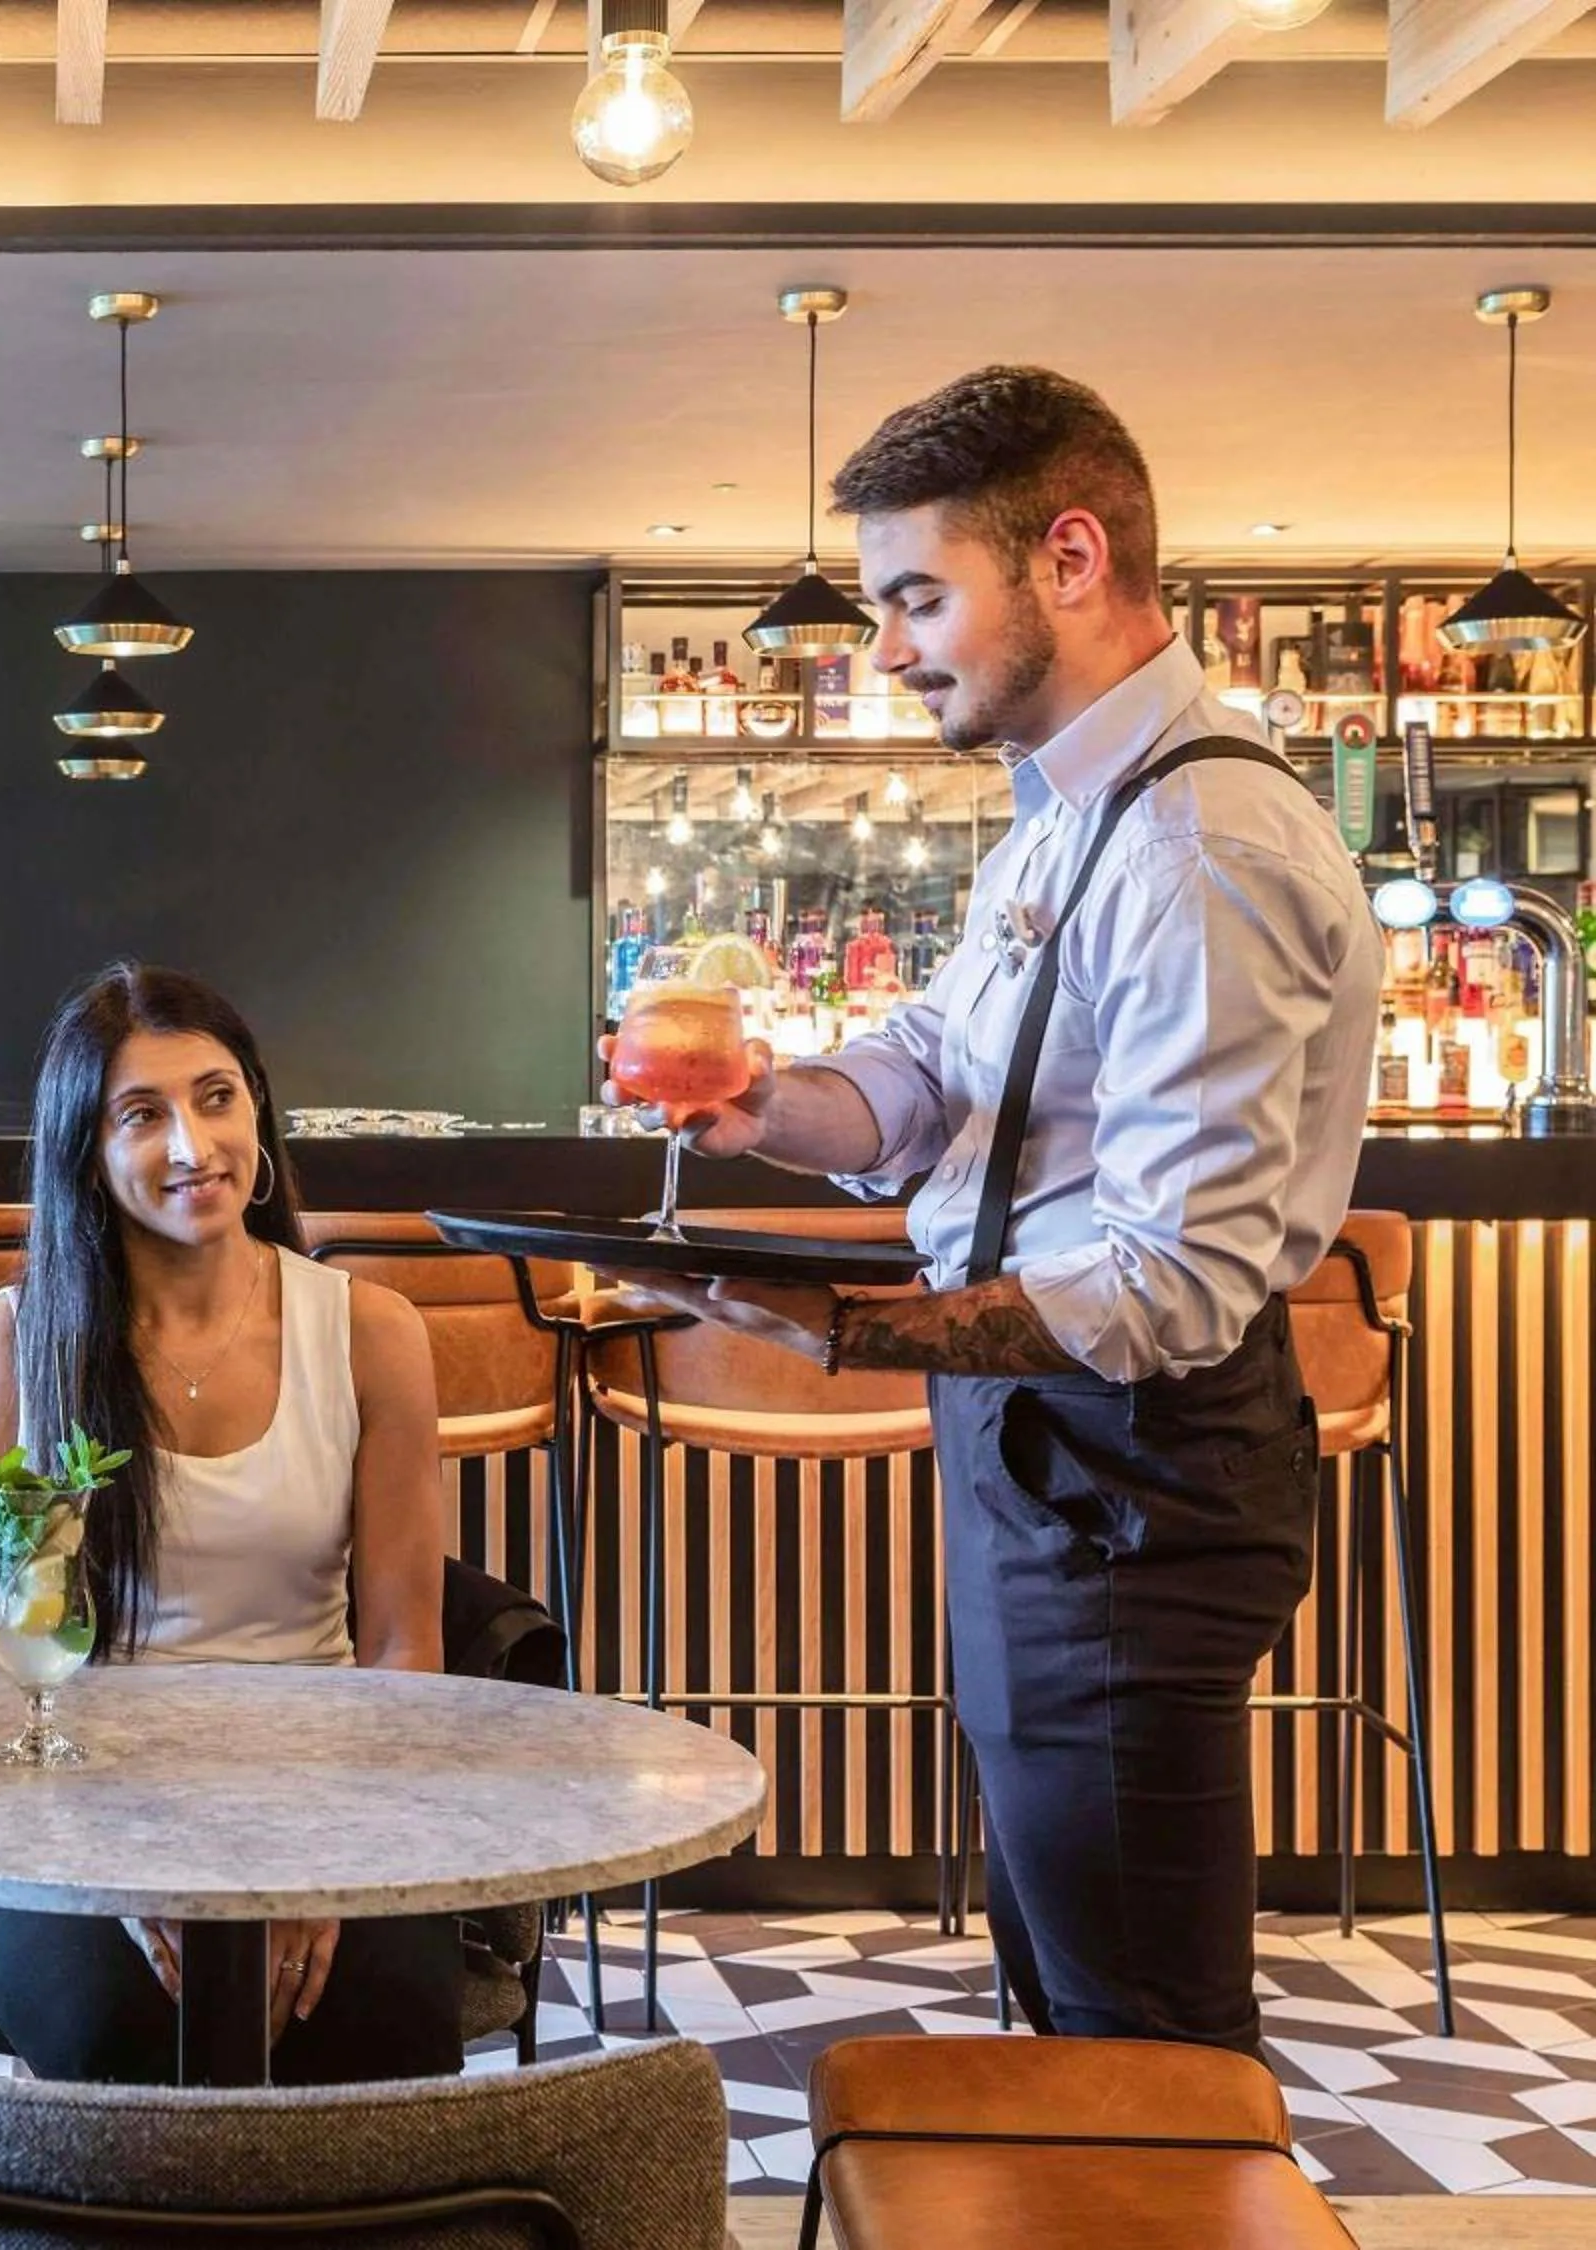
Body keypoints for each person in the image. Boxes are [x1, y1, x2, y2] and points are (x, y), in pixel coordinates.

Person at [605, 367, 1383, 2059]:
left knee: (1143, 2032)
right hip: (1041, 1441)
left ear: (1073, 559)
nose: (887, 647)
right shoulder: (1063, 820)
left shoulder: (1202, 845)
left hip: (1135, 1462)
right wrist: (762, 1107)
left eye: (916, 597)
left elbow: (1174, 1277)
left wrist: (849, 1327)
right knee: (1068, 1992)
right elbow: (936, 1082)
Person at [0, 961, 464, 2085]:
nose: (194, 1145)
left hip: (325, 1803)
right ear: (86, 1147)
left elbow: (406, 1649)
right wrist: (115, 1871)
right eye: (143, 1115)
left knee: (384, 2018)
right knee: (121, 2024)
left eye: (217, 1097)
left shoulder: (373, 1333)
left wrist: (321, 1872)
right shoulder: (7, 1345)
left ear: (259, 1107)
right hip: (77, 1816)